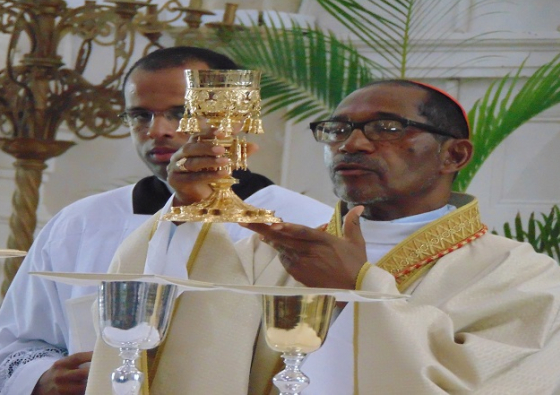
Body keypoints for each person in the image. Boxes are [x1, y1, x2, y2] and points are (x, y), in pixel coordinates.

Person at [86, 79, 560, 394]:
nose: (351, 144)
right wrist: (188, 215)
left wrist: (359, 290)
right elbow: (185, 344)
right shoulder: (270, 251)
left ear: (454, 155)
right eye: (337, 130)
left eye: (388, 128)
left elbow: (489, 382)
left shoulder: (521, 276)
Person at [0, 47, 333, 395]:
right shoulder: (80, 222)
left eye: (180, 112)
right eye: (140, 116)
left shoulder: (303, 222)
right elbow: (18, 341)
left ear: (233, 114)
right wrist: (40, 378)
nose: (157, 130)